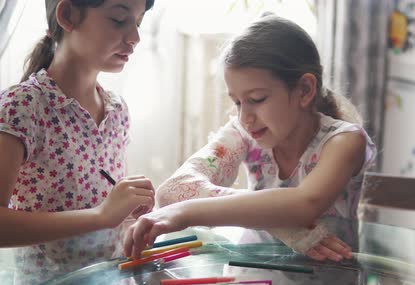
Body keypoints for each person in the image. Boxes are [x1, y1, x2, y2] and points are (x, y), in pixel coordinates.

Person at [124, 14, 376, 261]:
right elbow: (173, 190)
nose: (245, 117)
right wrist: (285, 229)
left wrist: (184, 213)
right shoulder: (243, 134)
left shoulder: (345, 142)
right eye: (236, 102)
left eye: (256, 100)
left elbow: (303, 205)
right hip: (254, 278)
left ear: (305, 90)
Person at [0, 0, 156, 285]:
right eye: (119, 20)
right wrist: (101, 216)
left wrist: (130, 221)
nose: (135, 37)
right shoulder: (23, 107)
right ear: (68, 15)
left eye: (138, 22)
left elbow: (112, 217)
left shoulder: (117, 111)